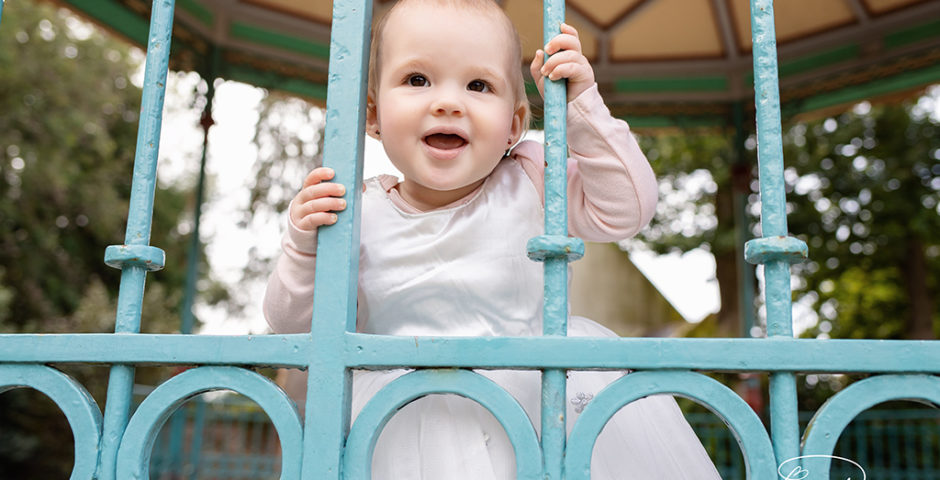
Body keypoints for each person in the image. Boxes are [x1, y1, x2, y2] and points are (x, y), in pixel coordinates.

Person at [264, 0, 721, 478]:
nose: (448, 102)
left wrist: (584, 111)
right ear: (374, 115)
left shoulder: (529, 177)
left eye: (478, 85)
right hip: (403, 425)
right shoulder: (355, 212)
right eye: (417, 80)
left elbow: (628, 209)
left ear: (515, 124)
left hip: (537, 409)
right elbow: (295, 329)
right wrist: (303, 246)